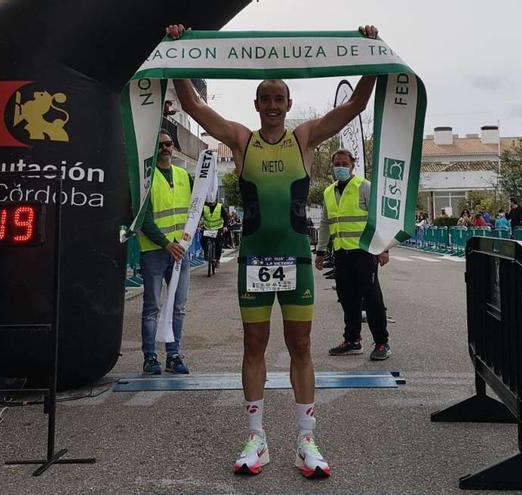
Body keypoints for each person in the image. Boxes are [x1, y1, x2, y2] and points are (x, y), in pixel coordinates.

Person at [169, 21, 380, 479]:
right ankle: (257, 438)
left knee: (300, 345)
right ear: (256, 104)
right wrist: (176, 50)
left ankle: (306, 440)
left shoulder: (302, 139)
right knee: (254, 345)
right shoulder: (240, 140)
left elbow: (355, 105)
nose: (271, 106)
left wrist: (371, 52)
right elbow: (193, 105)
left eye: (278, 99)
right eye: (264, 99)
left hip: (296, 259)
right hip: (254, 260)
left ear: (286, 104)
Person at [315, 150, 391, 361]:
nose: (340, 167)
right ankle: (352, 340)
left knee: (372, 297)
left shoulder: (364, 186)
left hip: (364, 252)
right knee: (347, 298)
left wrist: (383, 248)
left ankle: (382, 342)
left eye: (344, 163)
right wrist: (321, 251)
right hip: (341, 253)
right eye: (337, 163)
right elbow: (324, 224)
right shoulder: (329, 192)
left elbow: (379, 218)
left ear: (352, 166)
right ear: (332, 166)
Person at [135, 129, 191, 375]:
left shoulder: (183, 176)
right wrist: (166, 243)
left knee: (178, 307)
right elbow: (144, 219)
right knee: (152, 307)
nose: (165, 149)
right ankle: (150, 357)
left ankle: (174, 354)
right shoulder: (146, 178)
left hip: (181, 251)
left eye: (168, 144)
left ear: (173, 147)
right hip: (155, 252)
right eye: (159, 146)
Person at [201, 198, 227, 267]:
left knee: (219, 244)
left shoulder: (220, 206)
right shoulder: (204, 207)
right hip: (207, 228)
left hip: (217, 228)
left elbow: (225, 217)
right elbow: (199, 216)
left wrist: (225, 226)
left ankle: (217, 260)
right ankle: (206, 253)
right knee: (203, 241)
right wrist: (198, 226)